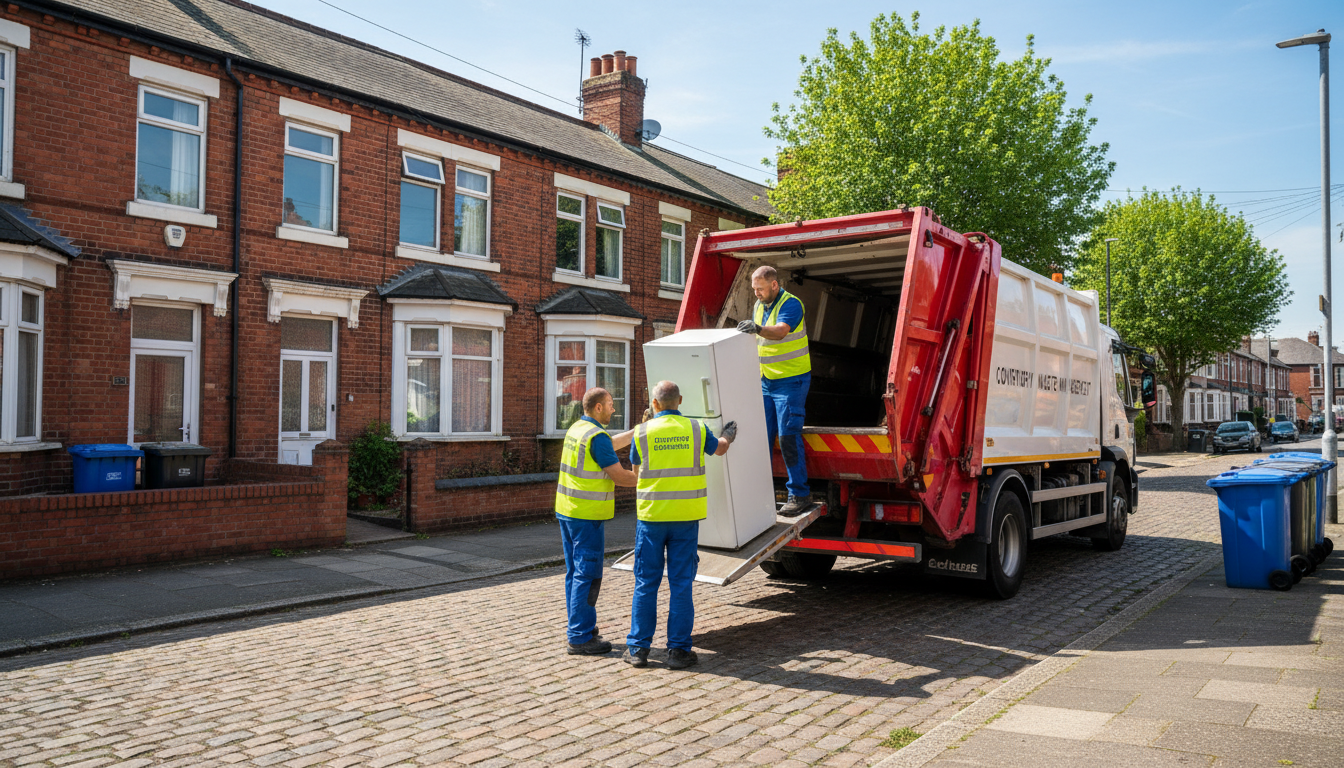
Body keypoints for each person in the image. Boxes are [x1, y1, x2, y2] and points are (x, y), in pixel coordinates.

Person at [624, 380, 737, 670]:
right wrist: (728, 434)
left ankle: (638, 650)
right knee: (681, 584)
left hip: (651, 519)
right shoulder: (697, 429)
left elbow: (637, 473)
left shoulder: (642, 432)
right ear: (681, 400)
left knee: (646, 583)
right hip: (685, 519)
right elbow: (720, 449)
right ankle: (678, 651)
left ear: (655, 403)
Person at [555, 387, 637, 656]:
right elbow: (622, 478)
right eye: (611, 404)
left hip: (568, 511)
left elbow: (607, 445)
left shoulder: (579, 428)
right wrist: (648, 477)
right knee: (588, 575)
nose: (614, 409)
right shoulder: (596, 437)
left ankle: (580, 627)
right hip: (587, 516)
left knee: (574, 573)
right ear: (599, 407)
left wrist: (638, 432)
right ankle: (580, 637)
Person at [737, 265, 813, 515]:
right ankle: (761, 494)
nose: (756, 294)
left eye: (759, 289)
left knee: (788, 436)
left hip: (791, 381)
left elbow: (780, 333)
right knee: (762, 438)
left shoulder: (791, 304)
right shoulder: (760, 305)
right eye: (753, 289)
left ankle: (799, 495)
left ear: (774, 285)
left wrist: (757, 329)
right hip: (766, 380)